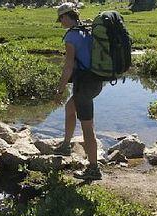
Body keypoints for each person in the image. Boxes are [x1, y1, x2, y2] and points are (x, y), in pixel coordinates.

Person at [54, 3, 103, 179]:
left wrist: (59, 89)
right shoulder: (87, 31)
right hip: (96, 81)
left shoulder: (71, 38)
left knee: (87, 128)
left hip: (84, 84)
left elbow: (68, 67)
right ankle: (66, 145)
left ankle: (94, 169)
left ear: (67, 16)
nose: (60, 23)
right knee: (70, 108)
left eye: (61, 19)